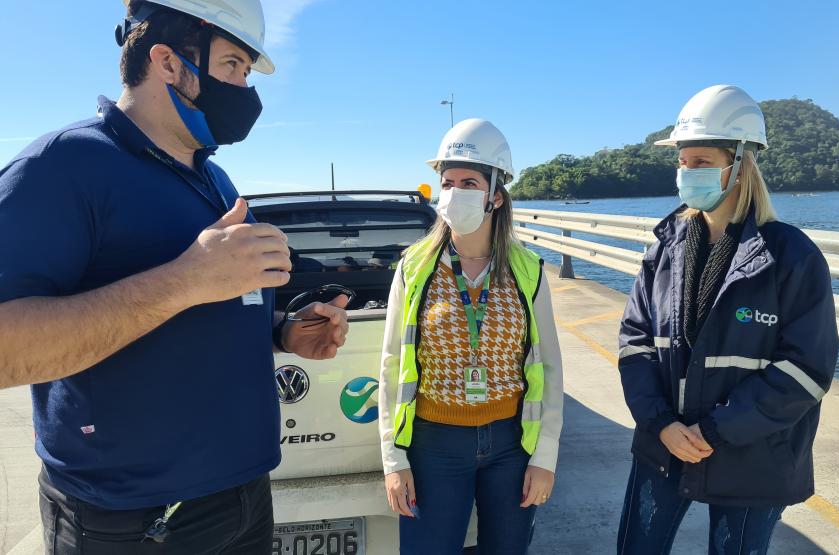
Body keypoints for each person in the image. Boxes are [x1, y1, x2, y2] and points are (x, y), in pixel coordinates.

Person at [0, 1, 348, 552]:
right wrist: (186, 280)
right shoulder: (62, 168)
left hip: (244, 495)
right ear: (166, 62)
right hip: (129, 519)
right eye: (232, 65)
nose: (245, 89)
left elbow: (216, 307)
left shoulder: (216, 180)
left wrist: (283, 329)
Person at [616, 85, 838, 555]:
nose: (686, 172)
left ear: (740, 165)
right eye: (682, 161)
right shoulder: (665, 249)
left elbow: (806, 370)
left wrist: (714, 431)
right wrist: (660, 424)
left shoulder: (789, 256)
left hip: (752, 454)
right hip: (663, 444)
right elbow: (634, 342)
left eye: (701, 162)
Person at [378, 119, 564, 554]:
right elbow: (390, 365)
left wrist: (545, 457)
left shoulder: (527, 269)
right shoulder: (414, 267)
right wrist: (393, 461)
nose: (454, 192)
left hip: (510, 444)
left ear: (495, 194)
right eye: (447, 183)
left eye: (469, 182)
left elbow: (550, 366)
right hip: (432, 445)